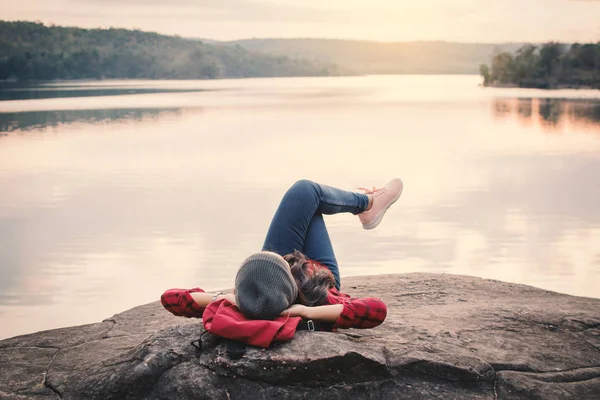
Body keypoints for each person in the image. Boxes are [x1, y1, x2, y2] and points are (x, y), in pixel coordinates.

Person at [161, 178, 403, 331]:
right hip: (319, 278)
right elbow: (376, 310)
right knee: (306, 192)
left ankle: (366, 203)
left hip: (272, 285)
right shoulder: (324, 301)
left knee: (308, 201)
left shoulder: (252, 300)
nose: (282, 256)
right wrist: (306, 311)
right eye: (282, 261)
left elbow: (170, 298)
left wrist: (233, 298)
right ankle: (367, 202)